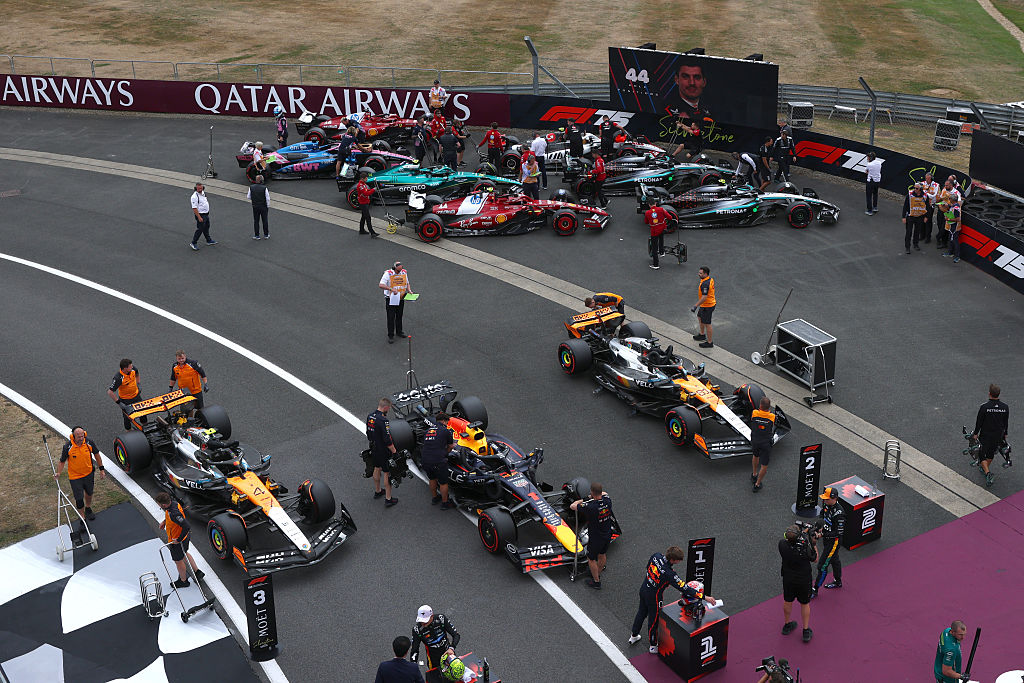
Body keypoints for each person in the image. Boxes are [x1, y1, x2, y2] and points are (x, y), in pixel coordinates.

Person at [628, 546, 689, 654]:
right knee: (654, 620)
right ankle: (653, 645)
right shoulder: (670, 573)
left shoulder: (656, 555)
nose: (679, 562)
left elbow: (648, 568)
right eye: (678, 560)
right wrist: (703, 596)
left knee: (641, 613)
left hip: (644, 588)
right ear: (673, 560)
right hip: (654, 597)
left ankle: (633, 635)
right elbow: (683, 587)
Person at [779, 523, 818, 643]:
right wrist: (813, 543)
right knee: (805, 603)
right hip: (803, 579)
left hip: (788, 578)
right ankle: (806, 630)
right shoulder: (805, 548)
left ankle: (787, 624)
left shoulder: (782, 544)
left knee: (787, 601)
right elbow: (815, 558)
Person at [155, 491, 204, 588]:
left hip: (177, 540)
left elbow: (186, 526)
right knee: (185, 553)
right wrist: (164, 522)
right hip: (185, 537)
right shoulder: (174, 504)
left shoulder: (174, 514)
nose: (159, 505)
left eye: (159, 504)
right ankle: (197, 572)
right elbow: (174, 518)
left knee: (178, 560)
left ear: (164, 504)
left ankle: (183, 581)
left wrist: (178, 539)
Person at [570, 482, 614, 589]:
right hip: (607, 533)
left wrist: (585, 499)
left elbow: (573, 506)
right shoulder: (608, 500)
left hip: (596, 537)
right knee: (602, 554)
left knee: (591, 558)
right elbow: (605, 493)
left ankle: (596, 581)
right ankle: (598, 571)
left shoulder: (590, 506)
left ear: (592, 492)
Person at [57, 426, 105, 522]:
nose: (81, 438)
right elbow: (62, 461)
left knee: (89, 493)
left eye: (82, 436)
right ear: (73, 436)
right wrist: (58, 472)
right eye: (78, 436)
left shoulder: (89, 442)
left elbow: (97, 454)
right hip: (75, 477)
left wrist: (101, 469)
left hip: (89, 474)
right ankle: (82, 518)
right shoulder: (67, 447)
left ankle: (88, 508)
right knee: (79, 499)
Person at [972, 383, 1009, 487]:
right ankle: (985, 467)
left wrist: (975, 433)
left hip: (986, 434)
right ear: (999, 394)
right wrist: (1005, 433)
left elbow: (979, 421)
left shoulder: (984, 407)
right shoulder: (1005, 407)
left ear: (989, 394)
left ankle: (988, 473)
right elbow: (1005, 422)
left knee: (981, 453)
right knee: (991, 453)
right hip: (998, 435)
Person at [411, 605, 460, 683]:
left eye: (425, 621)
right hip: (433, 660)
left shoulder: (441, 619)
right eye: (421, 620)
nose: (423, 623)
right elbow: (414, 650)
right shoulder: (417, 630)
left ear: (432, 616)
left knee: (453, 678)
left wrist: (451, 648)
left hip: (448, 655)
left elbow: (456, 635)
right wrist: (412, 667)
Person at [812, 486, 845, 597]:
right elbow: (822, 514)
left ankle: (815, 589)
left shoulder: (839, 513)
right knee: (835, 560)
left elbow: (838, 533)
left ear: (834, 498)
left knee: (822, 565)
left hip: (834, 542)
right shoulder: (826, 504)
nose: (824, 500)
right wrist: (819, 526)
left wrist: (822, 534)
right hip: (827, 539)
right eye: (824, 499)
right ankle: (838, 581)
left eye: (827, 499)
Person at [366, 398, 399, 507]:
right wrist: (394, 451)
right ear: (385, 407)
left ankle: (378, 490)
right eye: (388, 408)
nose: (388, 410)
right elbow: (387, 439)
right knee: (387, 472)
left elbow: (368, 433)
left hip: (373, 447)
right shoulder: (383, 421)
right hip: (383, 450)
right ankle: (388, 499)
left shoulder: (370, 416)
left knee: (376, 467)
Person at [421, 412, 455, 510]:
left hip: (425, 460)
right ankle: (445, 503)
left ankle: (435, 498)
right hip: (438, 460)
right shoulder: (445, 431)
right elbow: (451, 446)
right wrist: (446, 453)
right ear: (444, 421)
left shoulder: (427, 430)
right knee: (443, 482)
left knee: (432, 478)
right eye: (447, 422)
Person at [662, 58, 711, 123]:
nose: (692, 83)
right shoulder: (663, 110)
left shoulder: (713, 110)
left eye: (697, 77)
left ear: (704, 82)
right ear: (677, 80)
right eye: (686, 77)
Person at [379, 260, 413, 343]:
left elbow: (407, 283)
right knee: (391, 317)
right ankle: (391, 335)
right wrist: (391, 289)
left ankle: (399, 331)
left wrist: (409, 290)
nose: (399, 272)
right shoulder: (388, 274)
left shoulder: (404, 272)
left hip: (400, 297)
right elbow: (381, 285)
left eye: (401, 270)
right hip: (391, 298)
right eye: (398, 270)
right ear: (394, 268)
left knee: (399, 315)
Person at [108, 358, 142, 430]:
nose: (132, 367)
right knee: (127, 418)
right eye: (130, 366)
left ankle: (145, 427)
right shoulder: (118, 378)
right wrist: (119, 403)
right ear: (125, 368)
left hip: (136, 396)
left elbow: (137, 373)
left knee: (143, 412)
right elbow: (110, 392)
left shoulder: (133, 369)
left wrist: (138, 384)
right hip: (126, 400)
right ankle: (128, 432)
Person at [750, 396, 776, 492]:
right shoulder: (772, 417)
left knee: (755, 456)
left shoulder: (754, 413)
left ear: (760, 405)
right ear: (769, 407)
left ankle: (754, 474)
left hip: (755, 440)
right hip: (765, 443)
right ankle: (757, 484)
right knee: (764, 465)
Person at [901, 182, 930, 254]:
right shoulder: (910, 195)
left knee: (917, 232)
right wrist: (903, 217)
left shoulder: (925, 196)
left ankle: (915, 244)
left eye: (916, 188)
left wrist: (926, 216)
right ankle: (907, 247)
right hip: (910, 216)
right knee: (908, 232)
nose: (914, 189)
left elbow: (927, 207)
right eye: (914, 188)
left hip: (920, 217)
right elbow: (905, 206)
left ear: (920, 189)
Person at [692, 266, 716, 348]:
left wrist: (695, 306)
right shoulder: (709, 279)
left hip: (708, 306)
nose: (699, 274)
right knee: (700, 317)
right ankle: (702, 334)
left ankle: (709, 342)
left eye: (700, 273)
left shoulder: (705, 284)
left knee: (707, 324)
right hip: (705, 305)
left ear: (705, 274)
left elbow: (704, 297)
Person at [935, 177, 962, 250]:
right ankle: (941, 240)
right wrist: (942, 199)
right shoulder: (944, 190)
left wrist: (949, 205)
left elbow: (959, 205)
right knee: (939, 225)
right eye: (945, 185)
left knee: (944, 228)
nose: (945, 186)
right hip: (941, 211)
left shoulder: (956, 193)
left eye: (947, 185)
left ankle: (940, 239)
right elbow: (939, 199)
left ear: (951, 185)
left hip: (949, 213)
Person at [189, 182, 217, 251]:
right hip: (201, 215)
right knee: (200, 229)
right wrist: (199, 217)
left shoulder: (203, 193)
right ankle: (193, 242)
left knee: (206, 227)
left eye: (201, 188)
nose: (200, 189)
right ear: (196, 188)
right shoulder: (194, 197)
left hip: (206, 214)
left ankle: (208, 240)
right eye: (199, 188)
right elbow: (194, 208)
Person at [645, 202, 670, 270]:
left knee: (654, 248)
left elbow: (646, 222)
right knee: (661, 239)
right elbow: (669, 217)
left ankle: (656, 264)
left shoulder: (647, 212)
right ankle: (662, 252)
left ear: (649, 204)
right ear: (655, 203)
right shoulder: (661, 209)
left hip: (654, 231)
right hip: (662, 229)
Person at [247, 174, 271, 240]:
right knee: (265, 220)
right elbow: (267, 198)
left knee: (256, 220)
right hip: (263, 206)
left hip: (255, 206)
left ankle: (257, 235)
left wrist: (254, 200)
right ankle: (266, 234)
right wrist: (268, 206)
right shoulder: (264, 188)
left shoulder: (251, 187)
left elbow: (248, 196)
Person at [356, 173, 379, 237]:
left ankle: (361, 230)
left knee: (363, 217)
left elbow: (367, 190)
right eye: (366, 178)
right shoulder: (360, 185)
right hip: (363, 203)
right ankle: (372, 232)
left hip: (365, 202)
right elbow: (366, 193)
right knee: (368, 218)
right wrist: (373, 190)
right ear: (362, 179)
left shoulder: (363, 184)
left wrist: (372, 189)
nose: (367, 179)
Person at [921, 172, 940, 244]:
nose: (926, 180)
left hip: (930, 205)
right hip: (922, 205)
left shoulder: (936, 185)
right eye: (925, 178)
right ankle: (922, 234)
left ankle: (928, 237)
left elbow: (933, 196)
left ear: (931, 179)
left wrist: (925, 193)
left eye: (928, 179)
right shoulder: (922, 183)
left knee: (928, 220)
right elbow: (920, 192)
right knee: (921, 220)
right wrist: (928, 193)